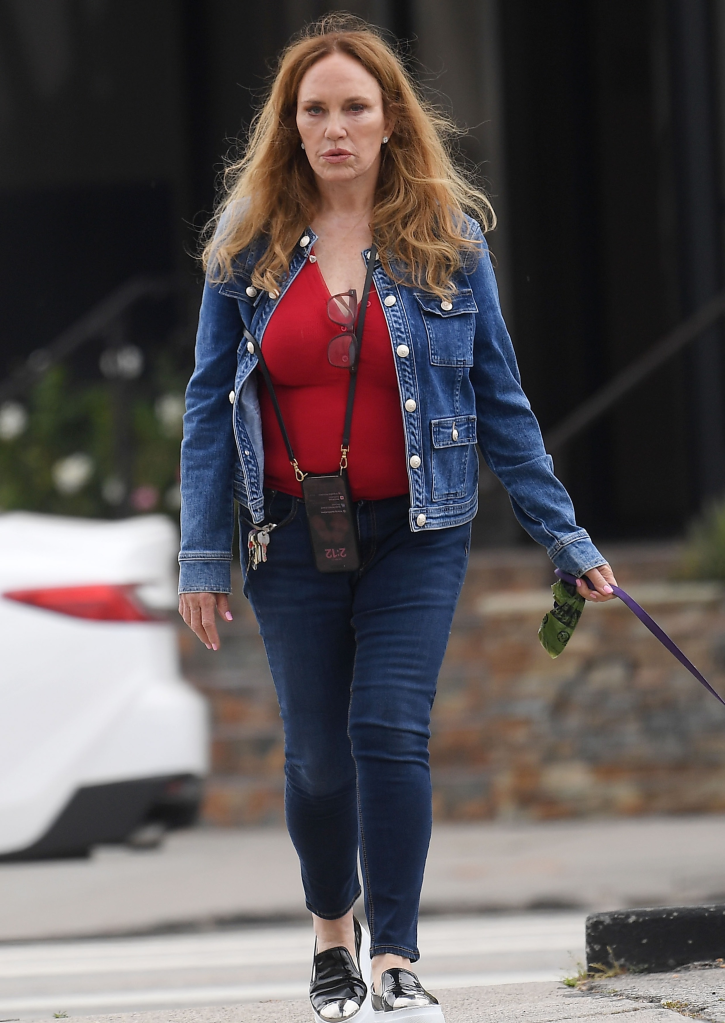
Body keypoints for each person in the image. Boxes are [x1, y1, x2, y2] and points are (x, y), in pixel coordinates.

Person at [178, 15, 617, 1023]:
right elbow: (209, 409)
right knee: (315, 758)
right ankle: (333, 932)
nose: (334, 127)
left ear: (388, 122)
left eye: (354, 108)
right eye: (314, 110)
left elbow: (500, 401)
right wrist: (201, 554)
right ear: (289, 126)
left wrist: (566, 538)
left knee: (385, 730)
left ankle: (395, 961)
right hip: (287, 536)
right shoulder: (243, 250)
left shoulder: (443, 243)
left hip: (419, 531)